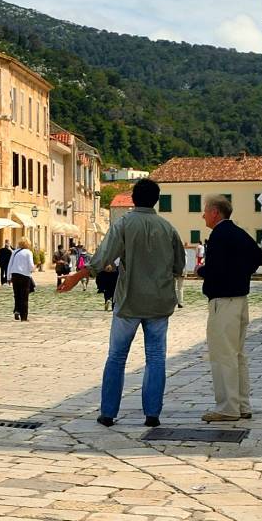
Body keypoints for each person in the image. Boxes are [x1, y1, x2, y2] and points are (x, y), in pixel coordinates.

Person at [57, 177, 186, 427]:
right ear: (156, 200)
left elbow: (103, 257)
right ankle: (152, 414)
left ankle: (108, 412)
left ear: (133, 199)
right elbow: (180, 265)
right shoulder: (168, 228)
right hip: (160, 302)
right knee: (156, 358)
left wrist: (77, 276)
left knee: (117, 357)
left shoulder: (124, 224)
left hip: (129, 301)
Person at [198, 194, 262, 423]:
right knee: (238, 355)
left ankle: (227, 407)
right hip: (240, 299)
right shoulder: (238, 232)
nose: (203, 215)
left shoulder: (218, 235)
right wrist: (241, 273)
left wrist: (202, 272)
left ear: (215, 212)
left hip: (223, 301)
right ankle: (242, 404)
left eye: (205, 210)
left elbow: (215, 268)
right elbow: (258, 256)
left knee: (222, 355)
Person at [9, 240, 36, 321]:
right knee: (24, 296)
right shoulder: (28, 252)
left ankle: (17, 310)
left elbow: (10, 264)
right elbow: (31, 266)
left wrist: (8, 277)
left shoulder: (14, 252)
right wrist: (34, 268)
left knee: (17, 294)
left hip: (15, 275)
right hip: (24, 276)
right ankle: (24, 317)